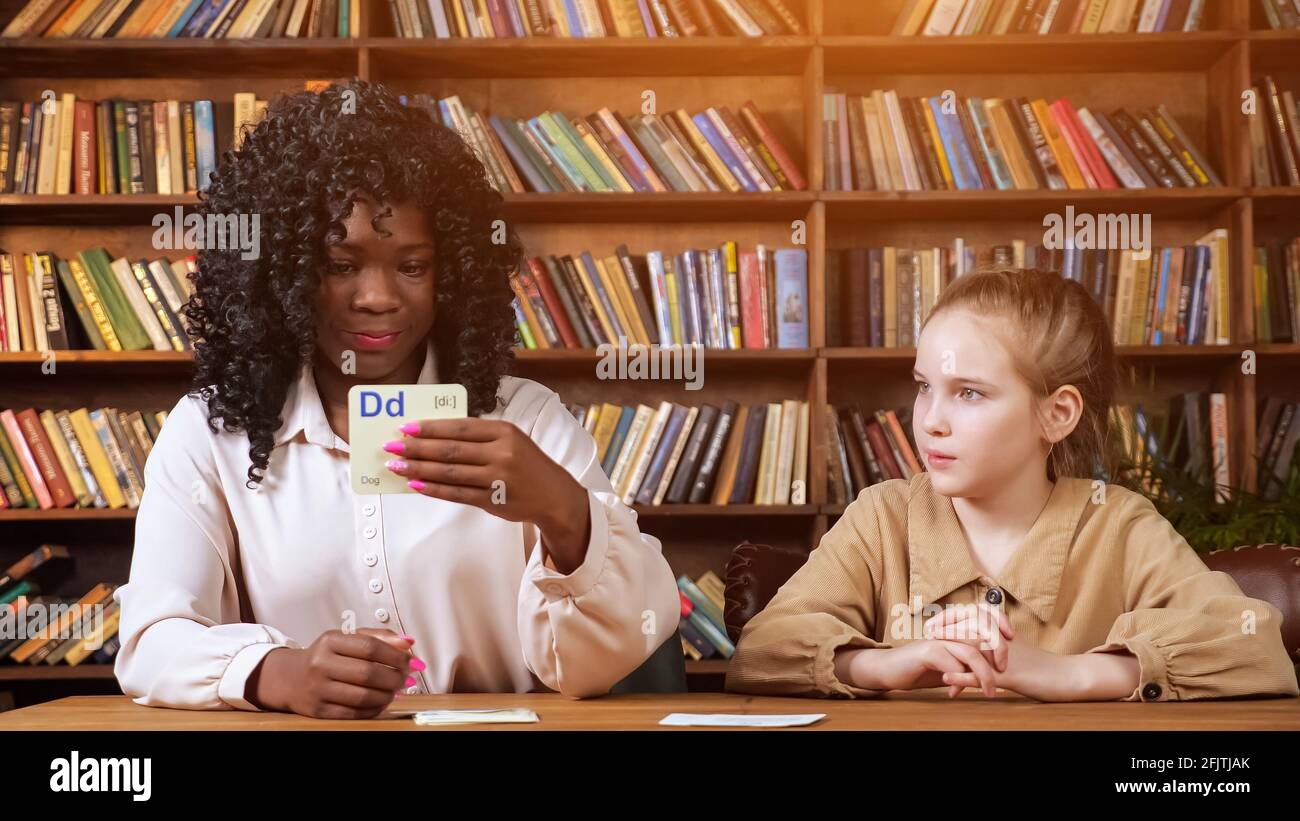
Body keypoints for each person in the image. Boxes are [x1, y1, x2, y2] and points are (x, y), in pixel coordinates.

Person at [113, 79, 680, 719]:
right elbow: (151, 641)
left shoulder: (524, 418)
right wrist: (277, 672)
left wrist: (566, 515)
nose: (379, 297)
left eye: (412, 266)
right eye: (341, 264)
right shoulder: (213, 433)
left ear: (451, 273)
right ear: (284, 271)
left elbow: (630, 645)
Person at [726, 267, 1299, 702]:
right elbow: (761, 650)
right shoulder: (882, 516)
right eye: (925, 385)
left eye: (969, 392)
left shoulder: (1119, 523)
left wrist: (1063, 672)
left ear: (1057, 414)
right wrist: (883, 663)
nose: (929, 419)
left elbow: (1251, 646)